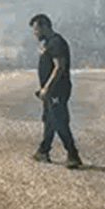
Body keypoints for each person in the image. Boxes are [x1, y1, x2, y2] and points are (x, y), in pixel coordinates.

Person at [30, 14, 82, 169]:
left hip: (57, 91)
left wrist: (47, 88)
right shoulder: (49, 44)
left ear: (45, 26)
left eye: (36, 29)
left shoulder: (56, 43)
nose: (35, 34)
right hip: (51, 91)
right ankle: (43, 151)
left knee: (59, 121)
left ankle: (73, 155)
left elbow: (59, 67)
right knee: (49, 119)